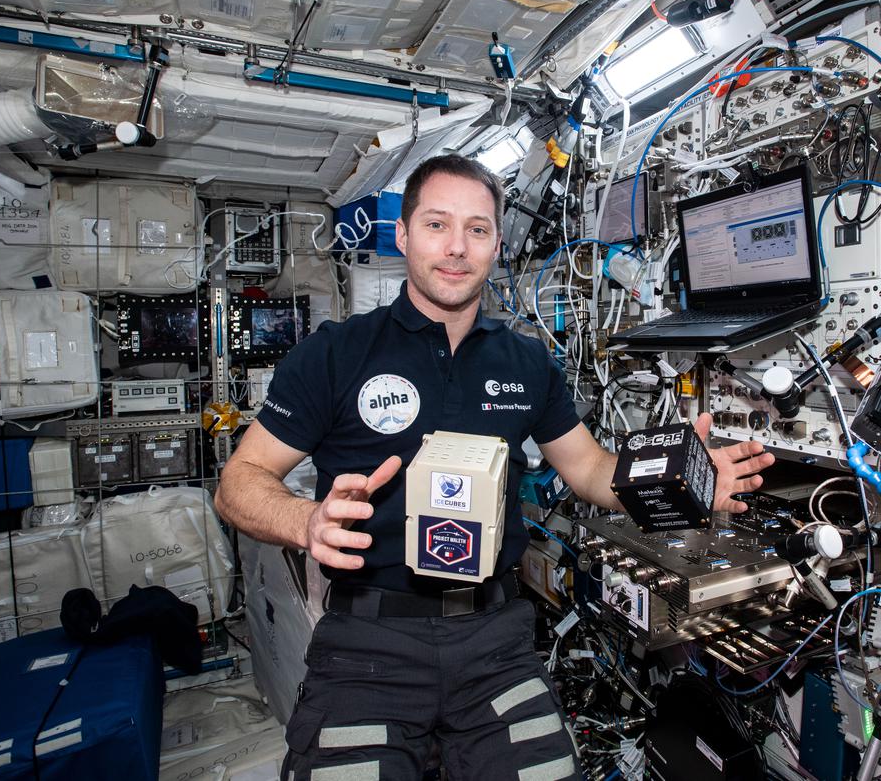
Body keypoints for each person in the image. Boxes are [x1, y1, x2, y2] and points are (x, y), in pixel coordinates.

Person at [214, 153, 776, 781]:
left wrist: (685, 479)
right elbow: (239, 483)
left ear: (496, 244)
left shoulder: (527, 362)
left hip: (496, 645)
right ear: (401, 234)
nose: (456, 247)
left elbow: (589, 469)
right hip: (368, 646)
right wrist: (304, 519)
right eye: (436, 225)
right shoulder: (336, 354)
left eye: (477, 229)